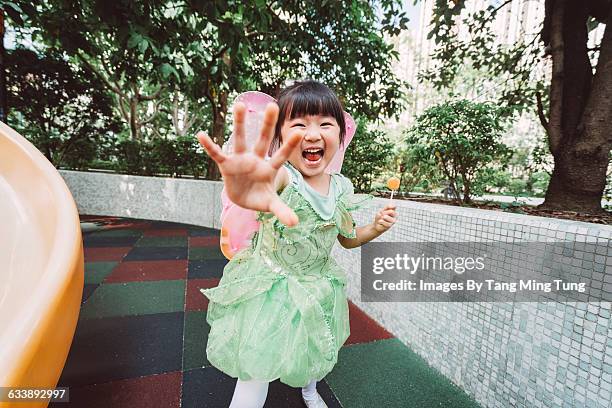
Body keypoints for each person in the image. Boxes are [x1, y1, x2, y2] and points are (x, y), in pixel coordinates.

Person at [196, 80, 397, 408]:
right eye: (299, 124)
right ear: (280, 137)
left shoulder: (341, 188)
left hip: (316, 288)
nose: (313, 134)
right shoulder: (283, 177)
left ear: (339, 136)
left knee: (312, 345)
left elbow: (347, 239)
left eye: (325, 124)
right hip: (268, 290)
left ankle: (308, 390)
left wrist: (374, 228)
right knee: (255, 366)